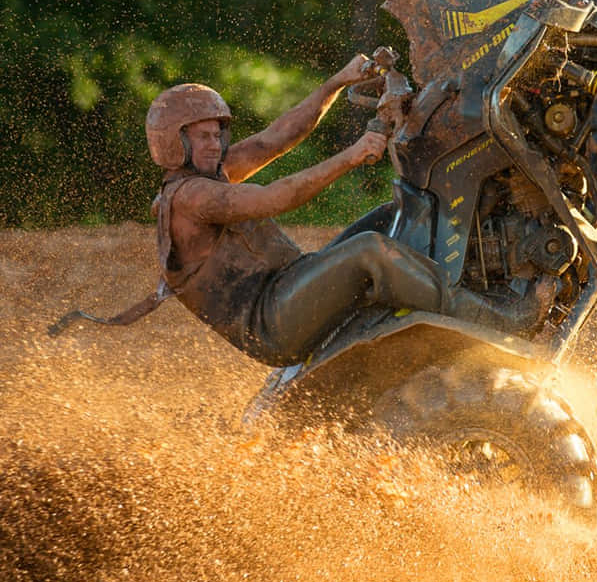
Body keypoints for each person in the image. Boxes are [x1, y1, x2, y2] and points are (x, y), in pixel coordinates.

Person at [145, 55, 549, 367]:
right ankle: (505, 321)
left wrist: (337, 82)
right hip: (271, 323)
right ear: (173, 143)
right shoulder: (192, 197)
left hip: (285, 286)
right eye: (202, 137)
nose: (214, 144)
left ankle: (457, 287)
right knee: (370, 250)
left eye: (218, 134)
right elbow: (274, 197)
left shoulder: (211, 173)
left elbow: (276, 138)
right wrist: (352, 155)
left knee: (388, 216)